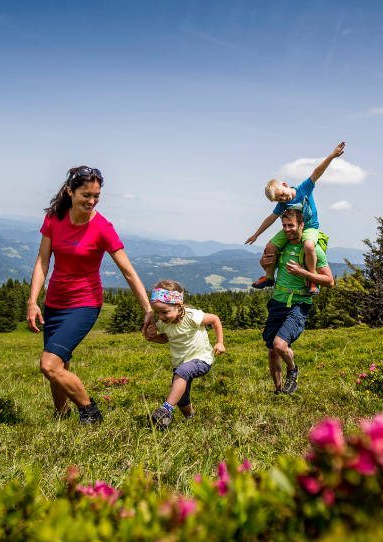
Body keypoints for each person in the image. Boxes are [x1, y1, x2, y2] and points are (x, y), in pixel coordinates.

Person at [27, 165, 151, 424]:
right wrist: (33, 301)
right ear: (71, 191)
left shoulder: (103, 227)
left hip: (84, 304)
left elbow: (128, 272)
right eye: (86, 195)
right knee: (60, 366)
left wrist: (148, 310)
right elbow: (42, 261)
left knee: (49, 365)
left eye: (96, 196)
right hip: (54, 303)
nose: (92, 201)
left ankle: (90, 411)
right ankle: (61, 416)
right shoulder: (54, 218)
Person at [245, 141, 345, 295]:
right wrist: (256, 235)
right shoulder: (283, 204)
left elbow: (317, 172)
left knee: (309, 246)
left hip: (310, 226)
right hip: (293, 227)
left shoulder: (303, 189)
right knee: (270, 246)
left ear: (285, 184)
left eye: (283, 195)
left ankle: (311, 280)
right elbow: (271, 218)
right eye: (280, 199)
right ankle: (269, 277)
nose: (284, 199)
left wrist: (332, 155)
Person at [262, 208, 334, 394]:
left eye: (291, 225)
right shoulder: (282, 246)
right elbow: (269, 265)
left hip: (298, 304)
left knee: (280, 345)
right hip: (277, 301)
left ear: (301, 225)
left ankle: (293, 370)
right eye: (284, 226)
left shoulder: (313, 248)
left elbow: (330, 281)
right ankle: (279, 392)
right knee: (272, 351)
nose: (287, 229)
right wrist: (264, 263)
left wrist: (302, 272)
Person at [141, 279, 225, 429]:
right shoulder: (163, 324)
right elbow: (166, 339)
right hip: (180, 363)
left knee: (183, 372)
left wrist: (219, 342)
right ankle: (190, 419)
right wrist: (152, 338)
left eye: (165, 312)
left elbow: (214, 319)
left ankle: (165, 409)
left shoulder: (192, 316)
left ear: (178, 306)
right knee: (181, 397)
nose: (160, 316)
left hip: (202, 359)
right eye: (157, 312)